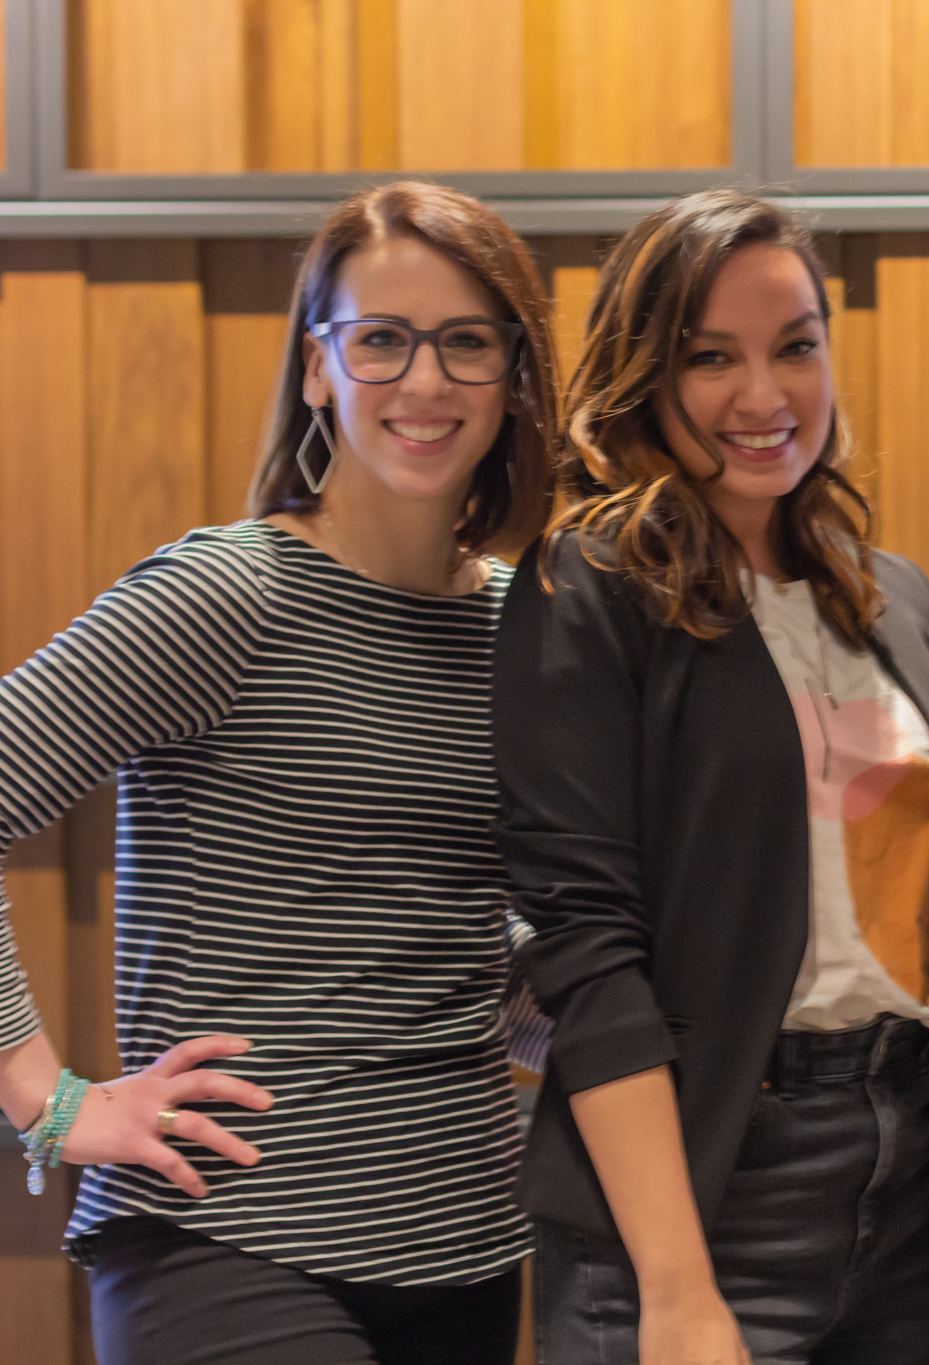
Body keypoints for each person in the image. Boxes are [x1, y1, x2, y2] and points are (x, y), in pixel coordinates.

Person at [0, 180, 560, 1364]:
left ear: (513, 378)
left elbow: (450, 942)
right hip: (225, 1239)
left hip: (464, 1243)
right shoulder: (231, 596)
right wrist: (48, 1101)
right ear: (319, 368)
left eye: (467, 343)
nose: (425, 381)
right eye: (382, 340)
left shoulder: (524, 629)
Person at [495, 190, 929, 1365]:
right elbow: (585, 951)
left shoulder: (888, 592)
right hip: (703, 1182)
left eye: (795, 347)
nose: (765, 396)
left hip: (904, 1176)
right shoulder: (589, 582)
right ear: (647, 374)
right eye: (712, 358)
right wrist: (676, 1283)